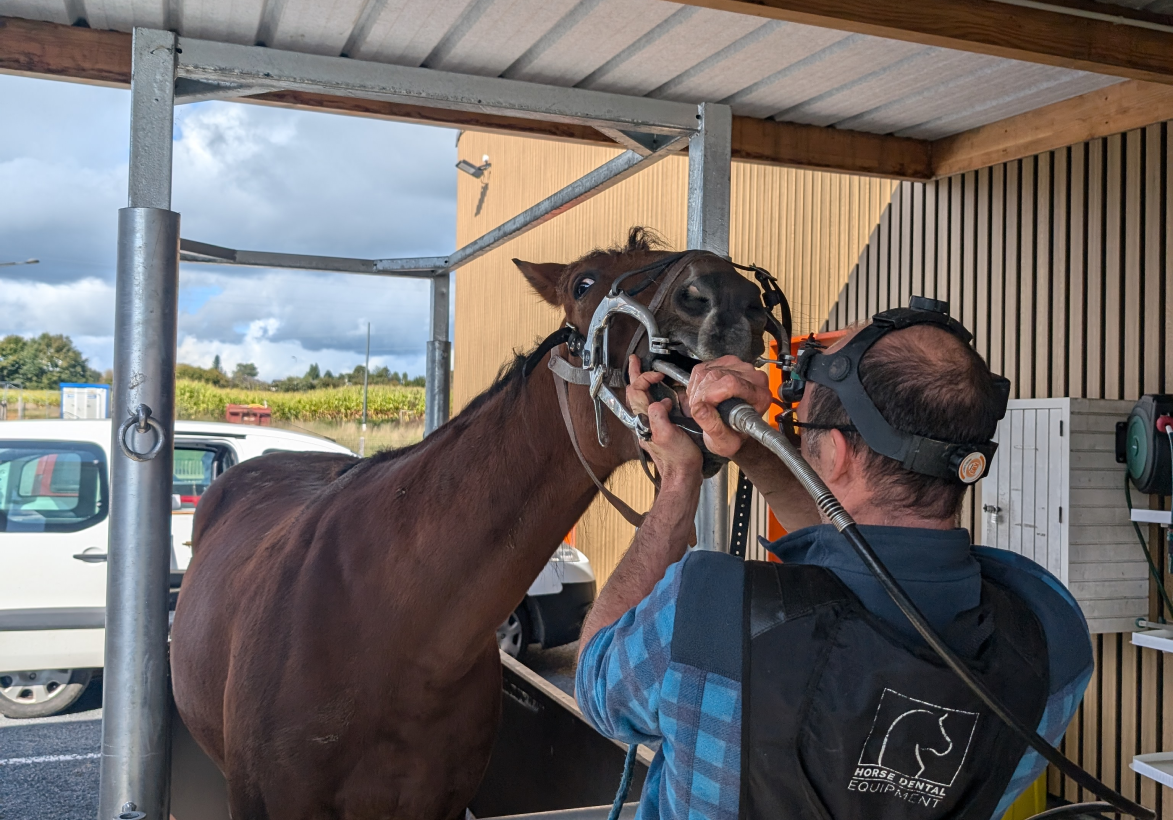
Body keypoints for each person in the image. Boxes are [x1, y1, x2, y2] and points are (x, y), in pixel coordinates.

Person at [575, 316, 1093, 820]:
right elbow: (852, 569)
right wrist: (754, 446)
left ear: (839, 454)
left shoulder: (705, 611)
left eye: (805, 430)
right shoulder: (1051, 635)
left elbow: (595, 683)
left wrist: (678, 478)